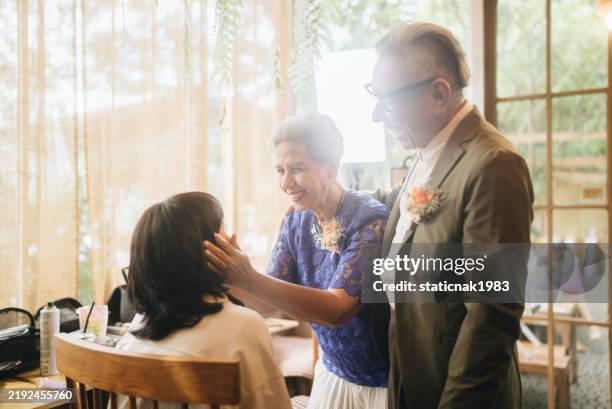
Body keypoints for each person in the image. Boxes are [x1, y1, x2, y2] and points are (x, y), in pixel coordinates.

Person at [367, 22, 534, 408]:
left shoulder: (494, 164)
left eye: (388, 100)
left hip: (454, 384)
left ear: (439, 93)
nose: (378, 116)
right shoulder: (428, 150)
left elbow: (491, 313)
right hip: (410, 367)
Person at [204, 112, 389, 409]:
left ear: (331, 166)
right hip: (332, 375)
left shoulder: (371, 222)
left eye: (297, 168)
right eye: (280, 170)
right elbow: (265, 304)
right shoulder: (295, 220)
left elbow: (337, 310)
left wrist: (248, 277)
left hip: (382, 386)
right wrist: (225, 275)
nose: (286, 182)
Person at [117, 191, 291, 409]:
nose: (232, 241)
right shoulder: (244, 325)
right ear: (210, 252)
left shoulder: (140, 322)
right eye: (225, 231)